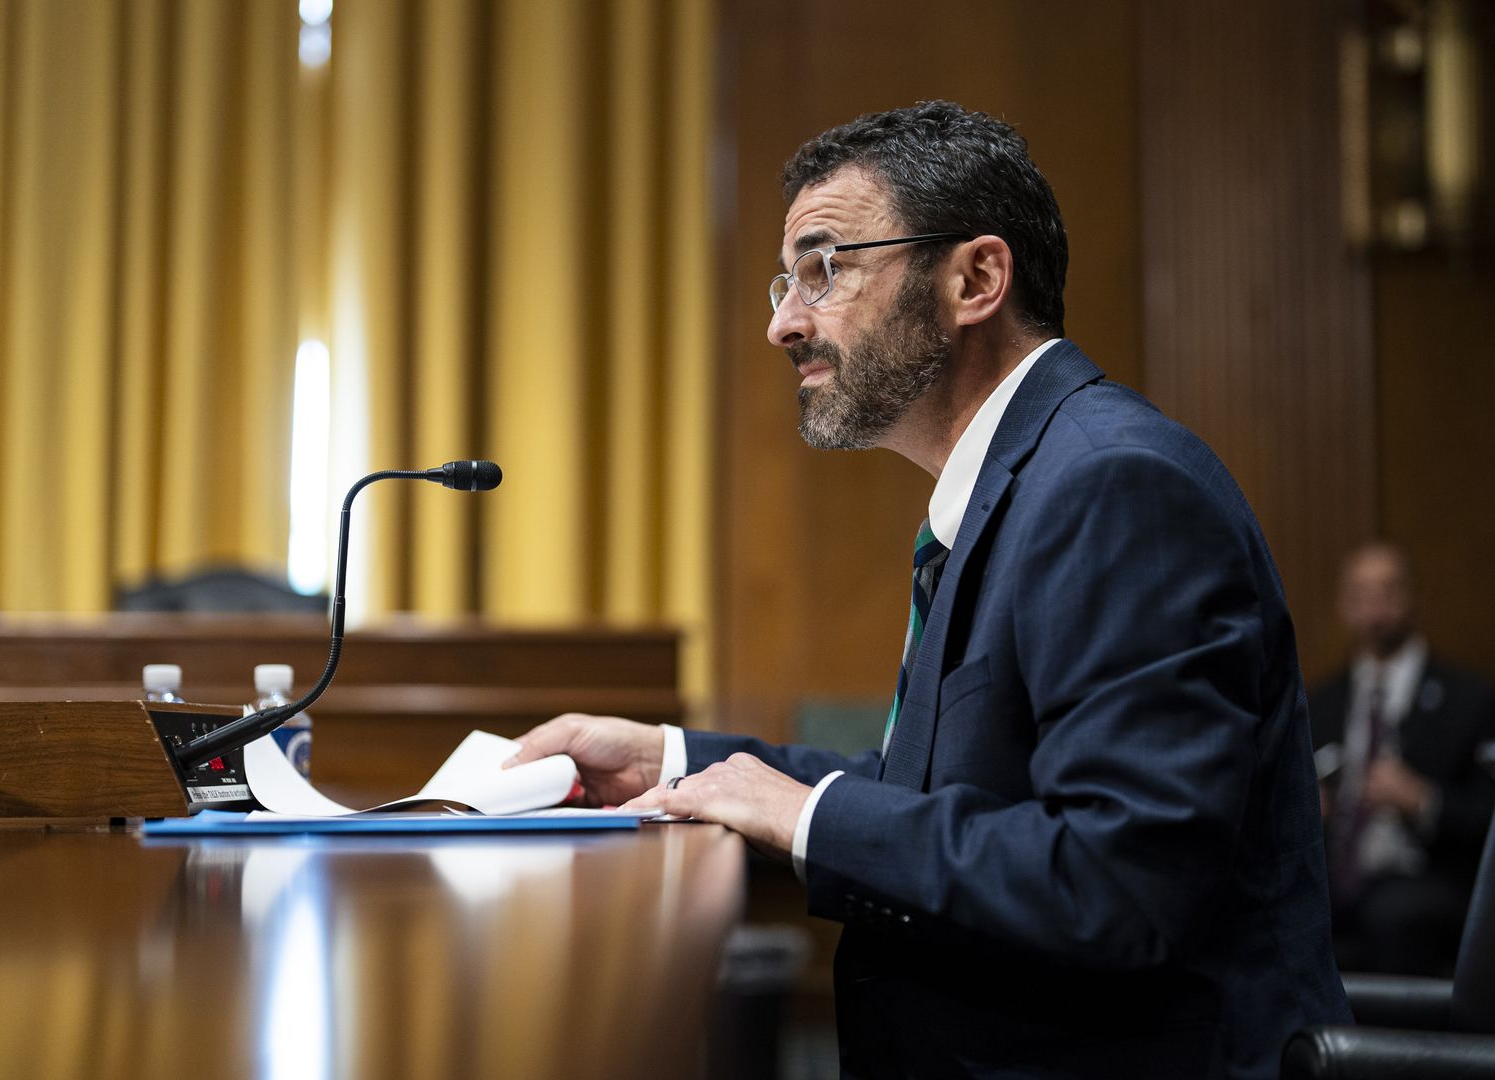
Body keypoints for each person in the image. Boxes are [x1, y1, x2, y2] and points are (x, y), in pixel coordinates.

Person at [508, 101, 1350, 1078]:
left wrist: (803, 815)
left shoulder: (1115, 487)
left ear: (976, 278)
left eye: (825, 268)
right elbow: (957, 799)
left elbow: (1116, 881)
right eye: (786, 281)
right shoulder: (1021, 490)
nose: (783, 321)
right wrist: (676, 759)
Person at [1311, 541, 1495, 977]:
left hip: (1425, 878)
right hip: (1337, 875)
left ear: (1415, 597)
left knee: (1396, 914)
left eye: (1389, 591)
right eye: (1361, 594)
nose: (1375, 607)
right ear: (1343, 605)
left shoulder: (1470, 699)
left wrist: (1424, 801)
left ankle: (1387, 1046)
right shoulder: (1319, 703)